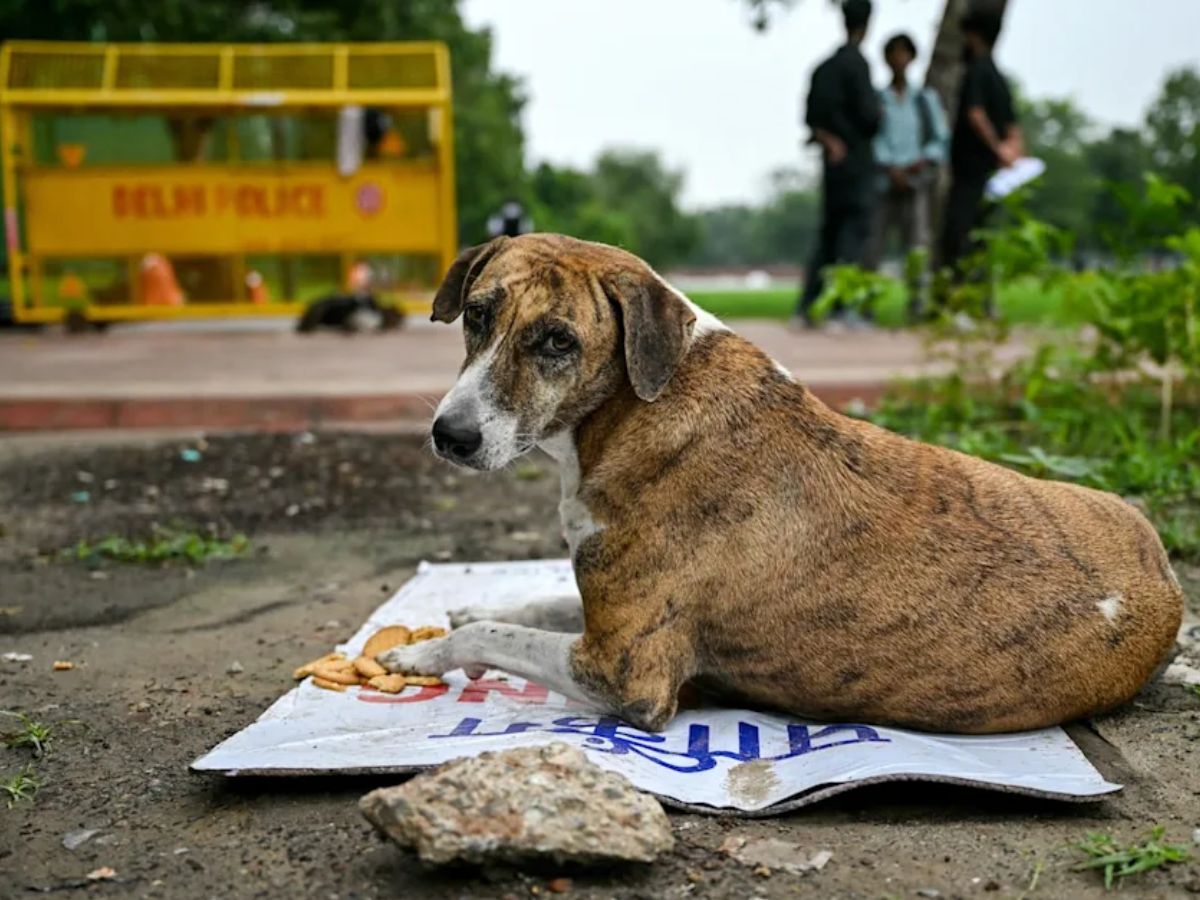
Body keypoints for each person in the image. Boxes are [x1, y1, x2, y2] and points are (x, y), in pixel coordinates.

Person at [793, 0, 881, 328]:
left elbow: (812, 116)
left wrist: (828, 140)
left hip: (832, 164)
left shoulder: (824, 68)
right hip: (856, 163)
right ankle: (843, 310)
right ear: (867, 23)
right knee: (852, 236)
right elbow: (869, 117)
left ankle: (806, 308)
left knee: (829, 234)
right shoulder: (857, 65)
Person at [864, 33, 949, 321]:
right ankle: (867, 306)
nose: (899, 60)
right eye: (894, 54)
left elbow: (939, 138)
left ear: (912, 58)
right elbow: (872, 138)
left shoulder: (924, 100)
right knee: (873, 245)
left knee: (917, 245)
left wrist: (920, 161)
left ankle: (918, 306)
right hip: (884, 180)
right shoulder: (878, 99)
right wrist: (890, 166)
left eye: (904, 54)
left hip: (916, 181)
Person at [938, 7, 1022, 284]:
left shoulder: (976, 72)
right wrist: (1011, 153)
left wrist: (996, 148)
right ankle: (976, 296)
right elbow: (1013, 126)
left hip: (972, 167)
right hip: (991, 170)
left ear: (974, 37)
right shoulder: (999, 77)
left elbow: (976, 114)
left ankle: (959, 294)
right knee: (980, 233)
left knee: (960, 232)